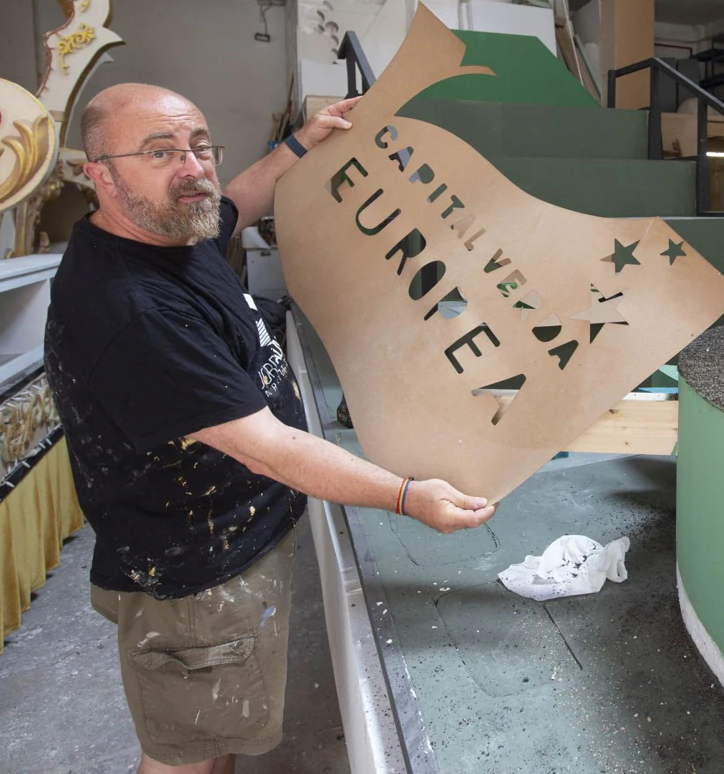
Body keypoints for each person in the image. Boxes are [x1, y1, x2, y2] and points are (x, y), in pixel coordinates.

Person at [45, 84, 496, 774]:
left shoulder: (170, 223)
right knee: (186, 754)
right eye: (160, 152)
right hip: (196, 569)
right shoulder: (133, 309)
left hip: (227, 535)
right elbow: (272, 448)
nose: (193, 168)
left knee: (220, 729)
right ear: (100, 174)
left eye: (200, 146)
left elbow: (241, 201)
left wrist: (302, 142)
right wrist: (410, 497)